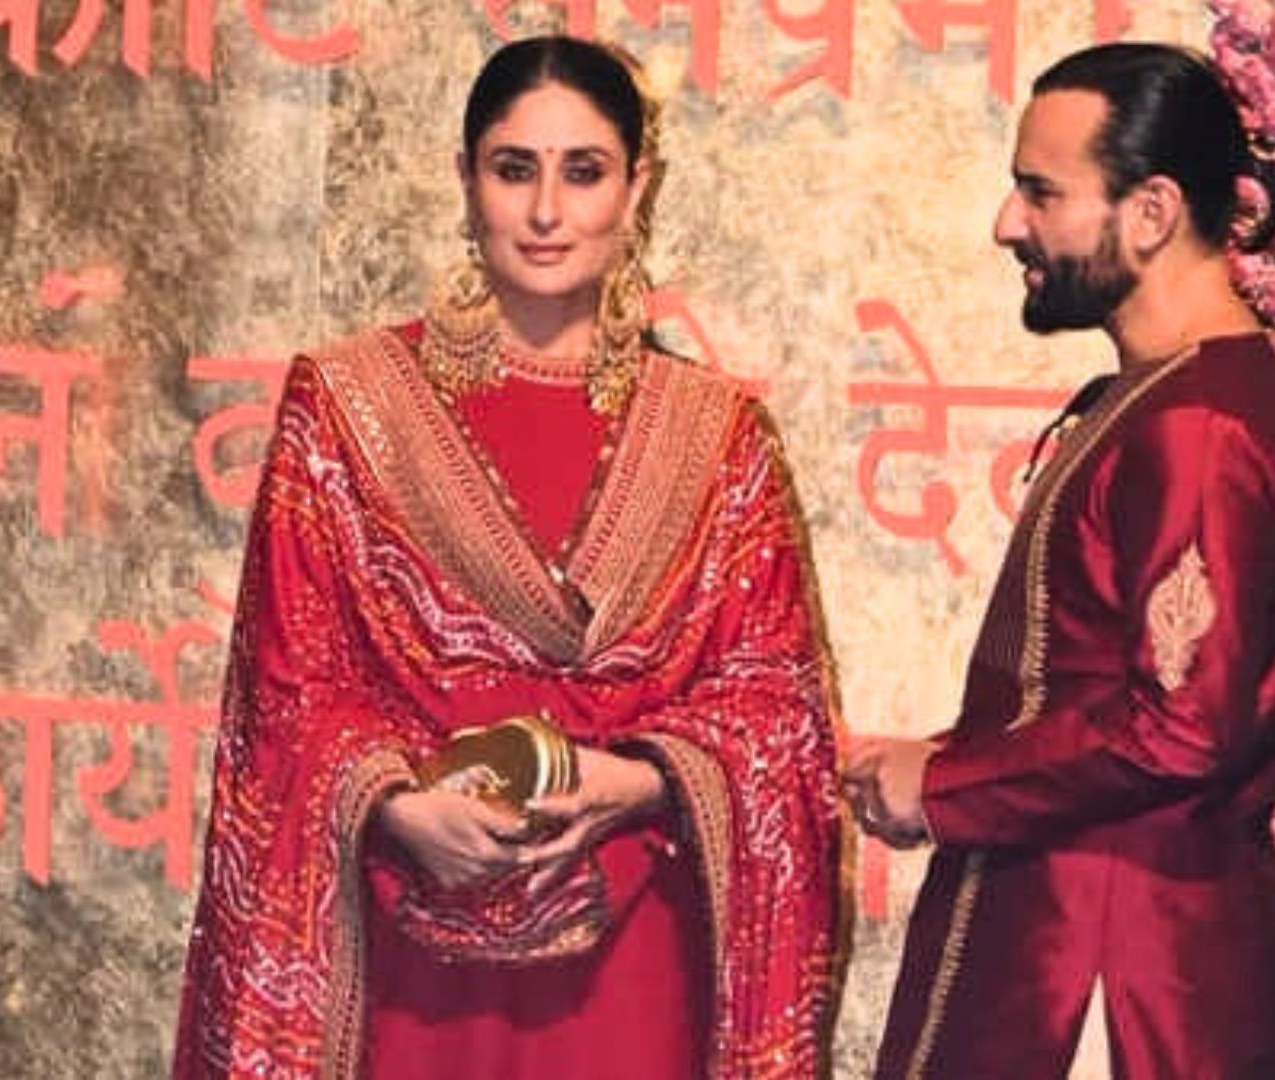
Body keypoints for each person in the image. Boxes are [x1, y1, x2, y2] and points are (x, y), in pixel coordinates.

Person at [172, 35, 841, 1080]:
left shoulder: (719, 436)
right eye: (513, 168)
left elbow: (773, 707)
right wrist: (395, 804)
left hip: (636, 946)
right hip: (408, 942)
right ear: (466, 179)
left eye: (584, 172)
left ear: (638, 189)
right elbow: (286, 692)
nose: (545, 212)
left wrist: (635, 783)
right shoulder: (346, 408)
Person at [844, 43, 1275, 1079]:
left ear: (1150, 213)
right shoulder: (1170, 394)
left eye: (1040, 192)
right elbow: (1099, 687)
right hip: (1077, 933)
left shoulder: (1198, 428)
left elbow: (1181, 728)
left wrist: (946, 784)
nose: (1006, 223)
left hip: (1113, 979)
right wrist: (934, 762)